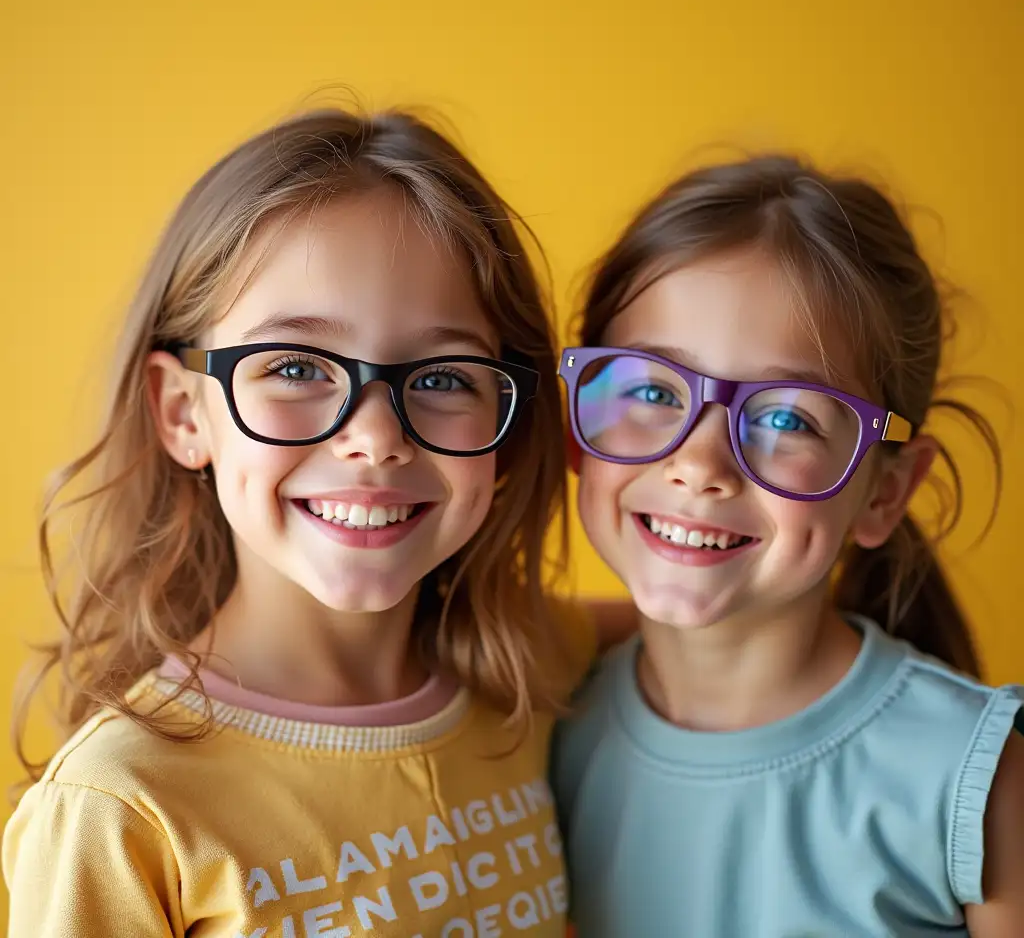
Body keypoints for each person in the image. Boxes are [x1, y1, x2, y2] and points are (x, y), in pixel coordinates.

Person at [4, 107, 623, 936]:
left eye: (443, 377)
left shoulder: (525, 669)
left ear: (504, 426)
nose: (374, 438)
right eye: (295, 366)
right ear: (185, 413)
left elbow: (709, 634)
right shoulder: (122, 809)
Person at [552, 155, 1024, 936]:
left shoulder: (977, 781)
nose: (699, 465)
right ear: (580, 425)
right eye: (650, 391)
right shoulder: (548, 728)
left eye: (786, 419)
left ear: (884, 491)